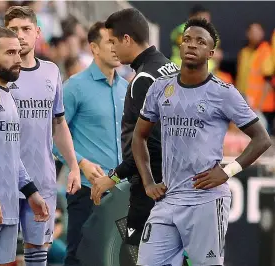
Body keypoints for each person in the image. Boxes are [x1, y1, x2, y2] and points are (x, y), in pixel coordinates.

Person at [133, 18, 272, 266]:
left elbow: (262, 139)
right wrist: (148, 182)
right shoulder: (160, 88)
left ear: (210, 52)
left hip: (206, 200)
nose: (191, 45)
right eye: (187, 39)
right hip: (168, 199)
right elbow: (139, 136)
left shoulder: (223, 92)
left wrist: (228, 171)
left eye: (200, 41)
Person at [0, 7, 81, 266]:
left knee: (37, 252)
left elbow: (59, 123)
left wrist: (74, 165)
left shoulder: (51, 72)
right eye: (13, 30)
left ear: (38, 33)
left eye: (26, 29)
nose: (20, 36)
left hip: (39, 179)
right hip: (1, 181)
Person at [96, 8, 180, 257]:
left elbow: (150, 143)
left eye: (112, 41)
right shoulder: (169, 68)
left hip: (150, 186)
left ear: (127, 40)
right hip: (175, 183)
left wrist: (114, 175)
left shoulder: (143, 79)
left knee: (132, 253)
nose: (111, 48)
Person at [0, 27, 49, 266]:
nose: (18, 59)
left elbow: (12, 152)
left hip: (9, 204)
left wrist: (31, 191)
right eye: (11, 53)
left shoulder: (7, 93)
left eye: (18, 52)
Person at [53, 21, 128, 266]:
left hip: (122, 191)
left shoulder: (127, 89)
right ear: (94, 48)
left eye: (118, 40)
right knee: (79, 258)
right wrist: (80, 163)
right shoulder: (75, 87)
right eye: (110, 41)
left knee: (122, 258)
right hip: (86, 191)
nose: (116, 46)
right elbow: (52, 137)